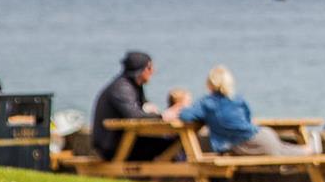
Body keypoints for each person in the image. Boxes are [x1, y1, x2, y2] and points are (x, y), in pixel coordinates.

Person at [166, 66, 311, 156]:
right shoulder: (237, 99)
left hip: (246, 142)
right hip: (261, 134)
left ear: (210, 84)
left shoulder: (207, 103)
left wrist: (181, 108)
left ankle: (311, 149)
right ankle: (311, 148)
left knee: (287, 154)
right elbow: (248, 117)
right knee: (287, 151)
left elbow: (186, 115)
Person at [89, 51, 170, 162]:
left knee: (171, 138)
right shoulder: (122, 88)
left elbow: (143, 108)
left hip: (124, 141)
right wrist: (161, 116)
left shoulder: (133, 86)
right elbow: (134, 115)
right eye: (150, 68)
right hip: (112, 147)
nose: (153, 71)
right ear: (143, 70)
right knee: (170, 139)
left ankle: (156, 178)